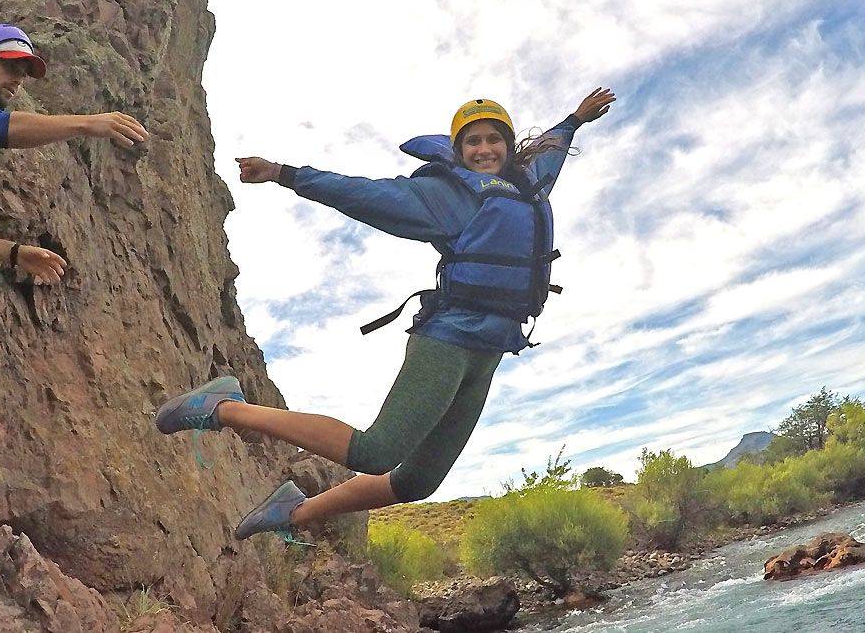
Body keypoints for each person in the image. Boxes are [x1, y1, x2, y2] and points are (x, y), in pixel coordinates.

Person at [155, 89, 615, 542]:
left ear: (509, 147)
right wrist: (284, 173)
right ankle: (223, 406)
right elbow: (360, 194)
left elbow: (551, 152)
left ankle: (290, 512)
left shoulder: (526, 185)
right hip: (450, 338)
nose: (484, 149)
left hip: (491, 349)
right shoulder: (445, 196)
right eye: (472, 141)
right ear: (457, 151)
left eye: (494, 139)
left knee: (418, 482)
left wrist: (575, 119)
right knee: (376, 452)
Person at [0, 24, 149, 555]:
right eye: (11, 67)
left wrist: (17, 253)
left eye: (26, 73)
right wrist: (90, 123)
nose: (18, 80)